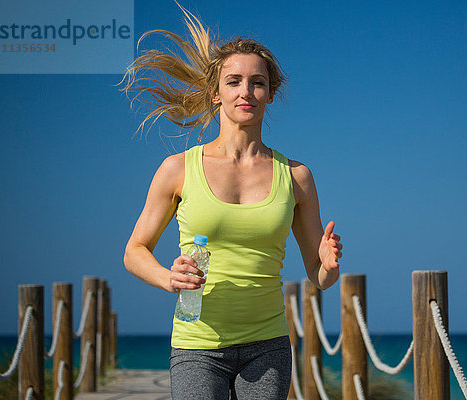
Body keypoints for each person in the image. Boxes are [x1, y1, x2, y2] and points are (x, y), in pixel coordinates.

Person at [120, 6, 342, 400]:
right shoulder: (177, 169)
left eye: (257, 83)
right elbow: (135, 251)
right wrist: (167, 278)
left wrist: (326, 265)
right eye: (234, 81)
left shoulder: (296, 177)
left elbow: (317, 276)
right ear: (216, 92)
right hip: (197, 344)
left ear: (270, 93)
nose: (246, 91)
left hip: (267, 345)